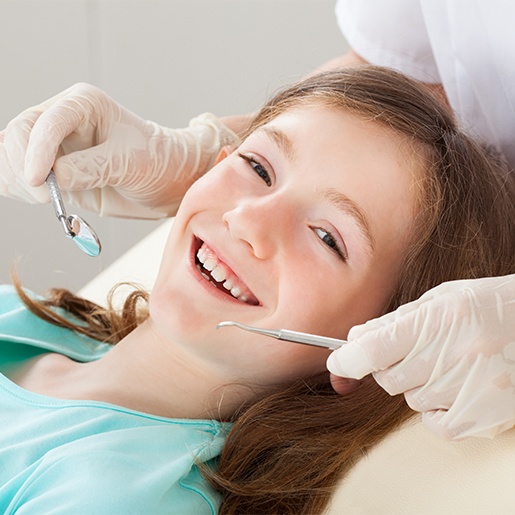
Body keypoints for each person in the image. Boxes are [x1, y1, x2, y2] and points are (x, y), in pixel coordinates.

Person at [1, 67, 514, 514]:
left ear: (382, 341)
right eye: (259, 167)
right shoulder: (26, 325)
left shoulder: (117, 496)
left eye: (327, 238)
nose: (248, 219)